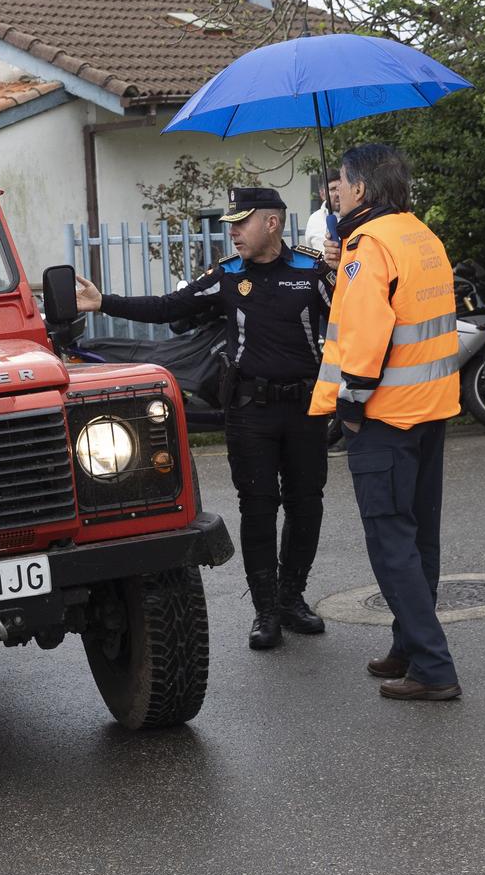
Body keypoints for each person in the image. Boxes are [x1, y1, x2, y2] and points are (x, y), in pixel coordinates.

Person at [76, 186, 333, 650]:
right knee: (257, 507)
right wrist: (104, 303)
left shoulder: (313, 272)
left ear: (271, 223)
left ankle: (293, 597)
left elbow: (352, 322)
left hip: (305, 408)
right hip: (250, 412)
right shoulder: (228, 276)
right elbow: (168, 308)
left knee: (305, 503)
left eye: (242, 222)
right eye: (230, 223)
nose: (232, 231)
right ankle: (266, 611)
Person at [310, 145, 464, 701]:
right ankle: (407, 645)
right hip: (430, 407)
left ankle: (432, 666)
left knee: (391, 542)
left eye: (343, 183)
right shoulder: (419, 235)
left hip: (385, 415)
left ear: (362, 189)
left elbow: (367, 335)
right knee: (419, 537)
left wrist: (348, 409)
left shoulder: (368, 244)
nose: (338, 191)